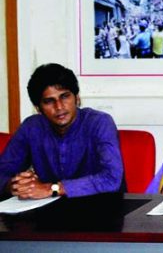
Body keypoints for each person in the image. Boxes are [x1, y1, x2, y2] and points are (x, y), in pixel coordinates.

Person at [0, 63, 123, 198]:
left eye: (65, 96)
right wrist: (13, 186)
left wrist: (52, 189)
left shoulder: (100, 122)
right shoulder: (31, 127)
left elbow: (111, 178)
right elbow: (3, 172)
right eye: (49, 101)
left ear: (77, 98)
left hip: (103, 208)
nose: (59, 107)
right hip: (50, 211)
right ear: (38, 108)